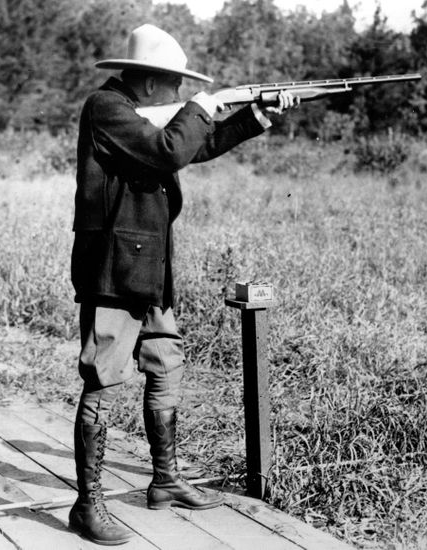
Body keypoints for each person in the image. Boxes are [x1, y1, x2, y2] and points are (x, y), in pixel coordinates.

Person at [69, 23, 298, 545]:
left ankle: (165, 479)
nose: (178, 95)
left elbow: (198, 143)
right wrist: (204, 104)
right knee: (105, 377)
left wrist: (259, 113)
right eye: (175, 86)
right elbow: (170, 149)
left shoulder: (141, 113)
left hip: (150, 264)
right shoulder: (107, 109)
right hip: (113, 268)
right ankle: (87, 505)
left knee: (165, 362)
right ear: (151, 84)